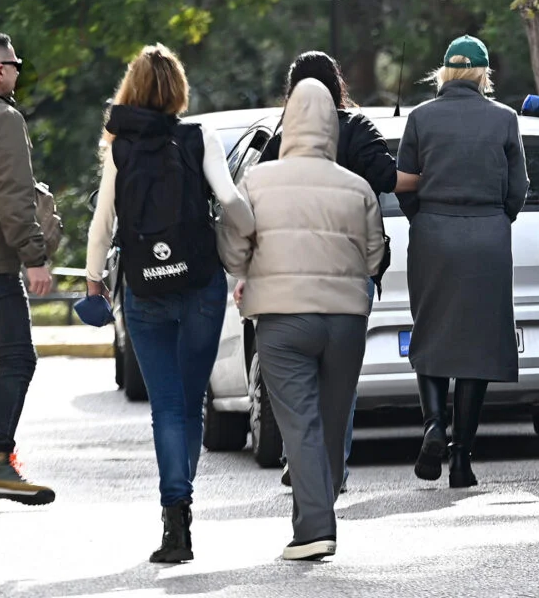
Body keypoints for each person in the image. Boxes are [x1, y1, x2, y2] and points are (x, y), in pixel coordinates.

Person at [84, 43, 254, 563]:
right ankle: (183, 502)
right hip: (200, 285)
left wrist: (94, 281)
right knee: (192, 399)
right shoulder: (200, 136)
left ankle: (174, 518)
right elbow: (230, 203)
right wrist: (244, 249)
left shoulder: (120, 148)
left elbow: (101, 224)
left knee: (167, 409)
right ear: (178, 89)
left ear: (132, 89)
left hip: (145, 292)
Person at [219, 78, 384, 561]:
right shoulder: (357, 187)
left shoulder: (256, 181)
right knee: (332, 422)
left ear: (288, 122)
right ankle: (318, 510)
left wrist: (245, 269)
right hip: (346, 321)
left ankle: (314, 526)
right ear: (332, 125)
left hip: (282, 321)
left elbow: (234, 247)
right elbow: (374, 257)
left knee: (301, 424)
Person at [249, 50, 409, 493]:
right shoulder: (357, 129)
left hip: (291, 274)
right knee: (339, 383)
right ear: (337, 85)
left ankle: (298, 458)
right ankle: (332, 469)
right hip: (350, 273)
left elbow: (256, 205)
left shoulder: (282, 141)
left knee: (297, 376)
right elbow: (388, 177)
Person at [396, 35, 528, 488]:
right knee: (477, 346)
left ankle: (434, 425)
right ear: (482, 74)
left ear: (445, 73)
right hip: (487, 237)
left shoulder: (419, 118)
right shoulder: (505, 119)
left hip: (433, 235)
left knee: (431, 331)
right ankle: (462, 461)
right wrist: (493, 219)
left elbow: (405, 185)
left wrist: (429, 218)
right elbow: (518, 189)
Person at [0, 31, 55, 507]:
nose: (17, 72)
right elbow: (12, 196)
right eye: (15, 65)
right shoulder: (2, 118)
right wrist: (34, 256)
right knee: (17, 360)